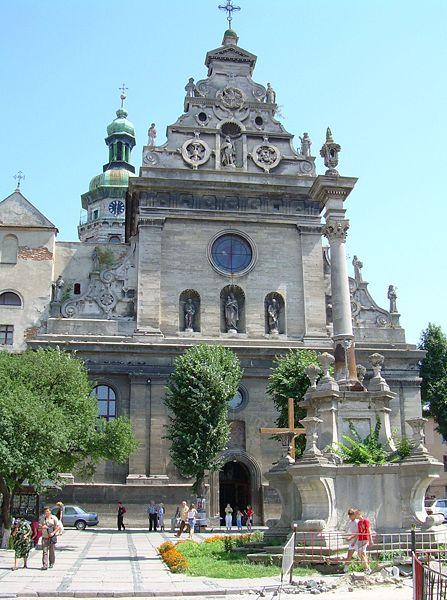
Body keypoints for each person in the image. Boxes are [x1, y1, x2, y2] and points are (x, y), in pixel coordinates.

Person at [355, 509, 372, 574]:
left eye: (356, 514)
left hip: (365, 539)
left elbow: (369, 530)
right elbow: (358, 532)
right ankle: (368, 568)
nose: (355, 515)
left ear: (359, 514)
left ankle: (367, 568)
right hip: (360, 539)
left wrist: (371, 540)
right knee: (363, 554)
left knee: (360, 553)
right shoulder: (359, 522)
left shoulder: (366, 521)